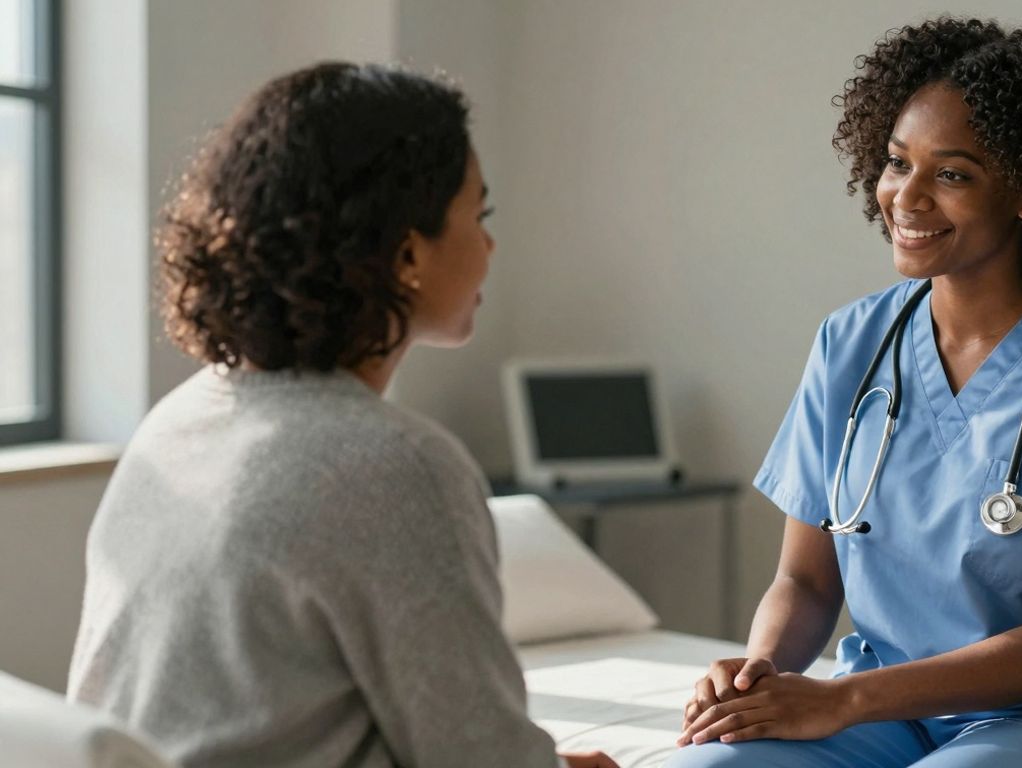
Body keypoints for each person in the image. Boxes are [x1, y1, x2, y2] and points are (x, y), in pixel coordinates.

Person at [668, 17, 1022, 768]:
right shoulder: (850, 344)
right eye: (894, 163)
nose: (904, 198)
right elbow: (805, 581)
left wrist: (843, 699)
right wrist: (758, 675)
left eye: (952, 174)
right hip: (888, 712)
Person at [67, 62, 616, 768]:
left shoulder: (177, 422)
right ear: (408, 253)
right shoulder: (397, 465)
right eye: (478, 217)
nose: (490, 245)